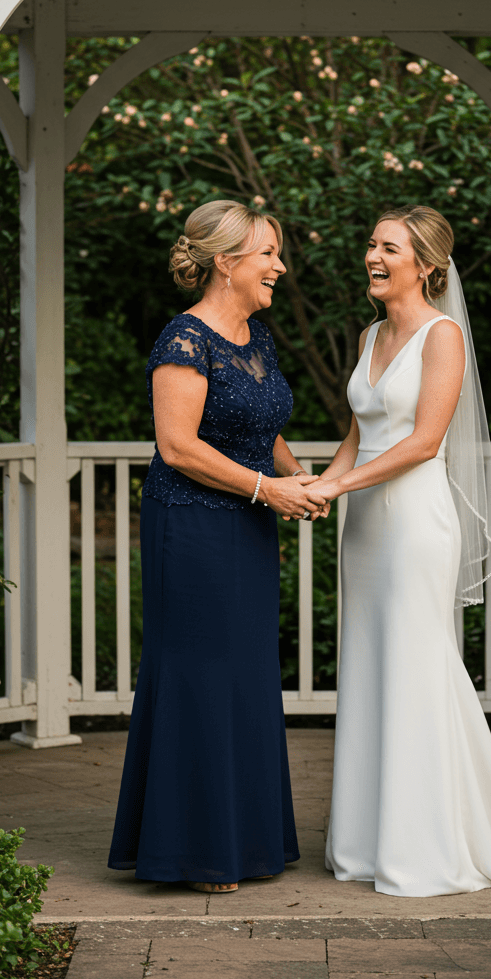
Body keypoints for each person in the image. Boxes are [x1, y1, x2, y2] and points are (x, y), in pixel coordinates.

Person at [315, 204, 491, 897]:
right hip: (365, 530)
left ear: (427, 265)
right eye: (371, 244)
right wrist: (321, 485)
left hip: (414, 522)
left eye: (388, 248)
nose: (373, 257)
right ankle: (365, 842)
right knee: (371, 667)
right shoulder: (368, 334)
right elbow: (362, 429)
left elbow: (421, 442)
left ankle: (428, 847)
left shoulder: (443, 338)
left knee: (418, 666)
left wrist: (343, 482)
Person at [108, 200, 326, 893]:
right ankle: (194, 849)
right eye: (268, 255)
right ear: (227, 263)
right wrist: (269, 489)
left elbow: (260, 423)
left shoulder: (255, 338)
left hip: (250, 528)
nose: (279, 267)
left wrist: (296, 476)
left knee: (245, 677)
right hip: (193, 528)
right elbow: (178, 447)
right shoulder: (185, 338)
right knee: (200, 677)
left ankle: (247, 838)